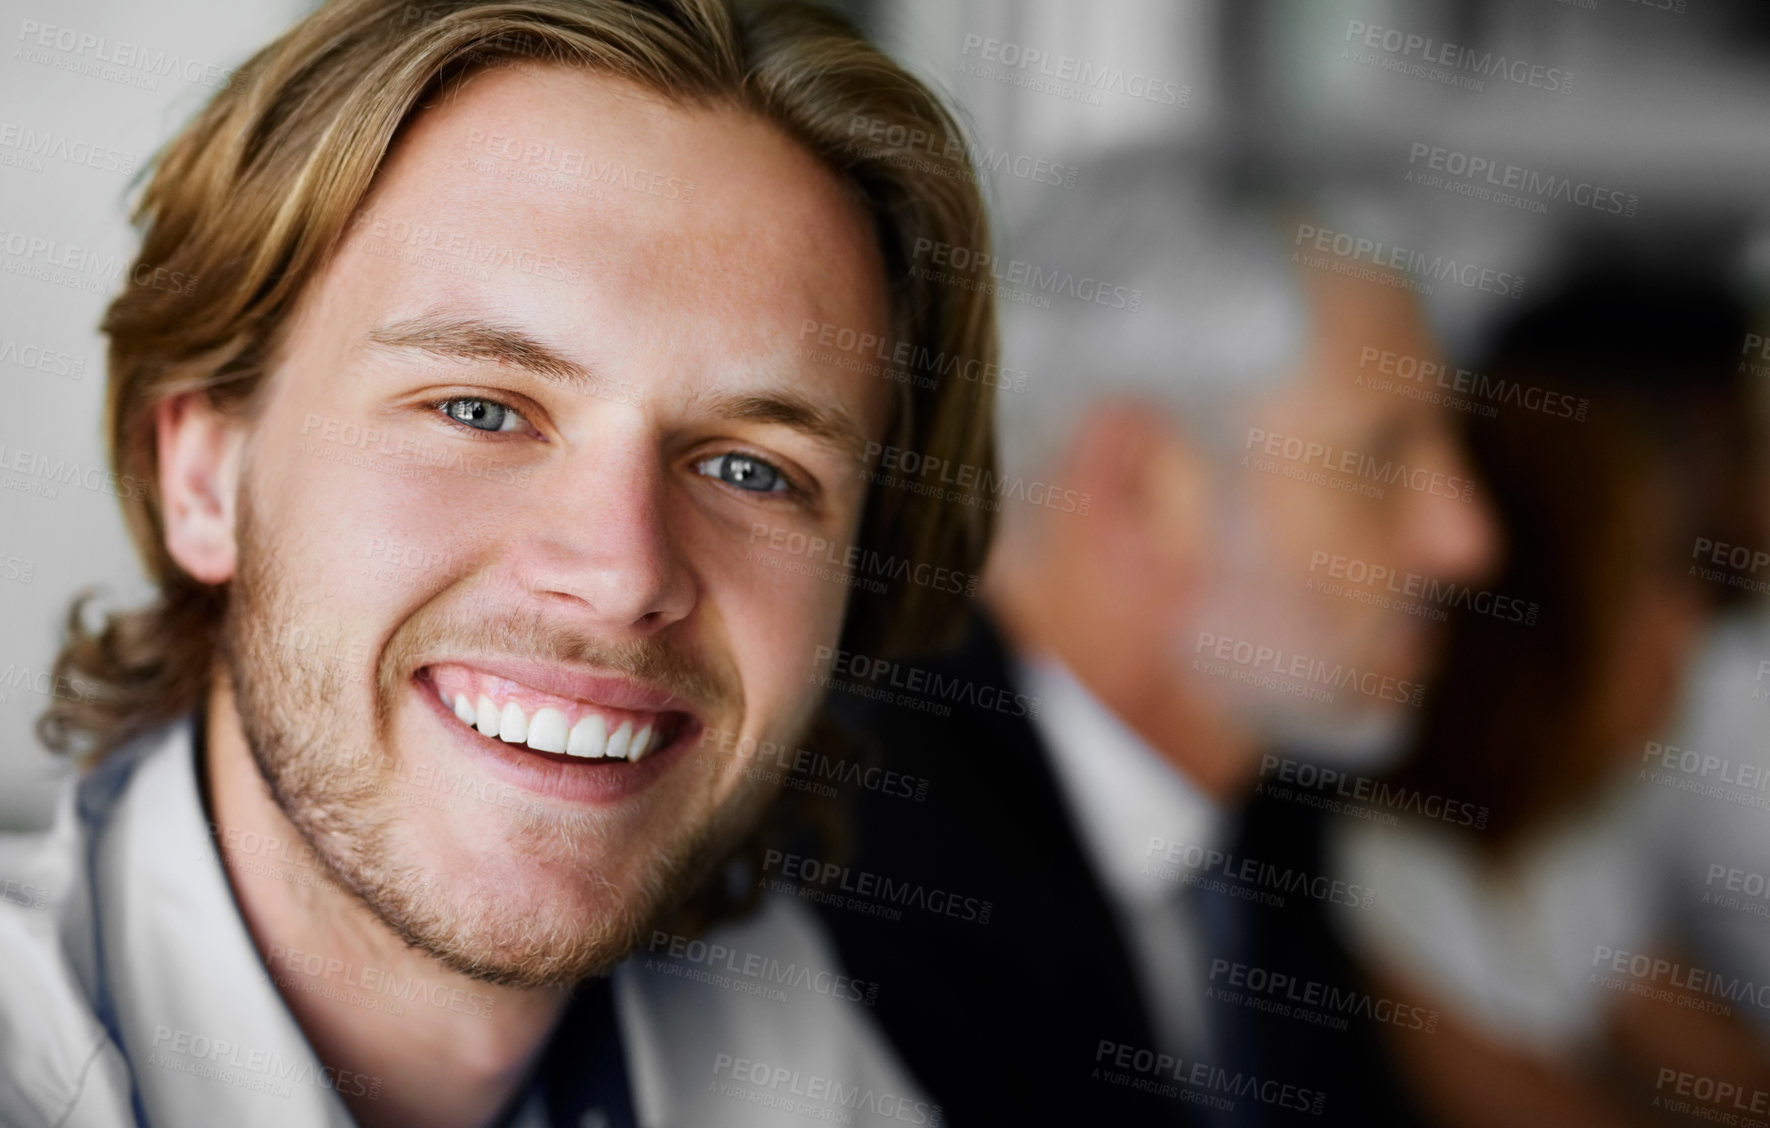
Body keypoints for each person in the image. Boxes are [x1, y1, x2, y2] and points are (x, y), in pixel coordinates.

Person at [0, 1, 1000, 1125]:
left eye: (751, 470)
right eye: (481, 408)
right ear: (202, 478)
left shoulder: (783, 1043)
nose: (623, 573)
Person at [812, 150, 1498, 1125]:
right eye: (1382, 459)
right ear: (1141, 487)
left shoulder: (1274, 811)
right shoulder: (862, 871)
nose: (1467, 538)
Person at [1227, 262, 1770, 1125]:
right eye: (1659, 583)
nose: (1690, 635)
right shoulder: (1376, 869)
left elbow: (1721, 1070)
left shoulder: (1568, 846)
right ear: (1546, 627)